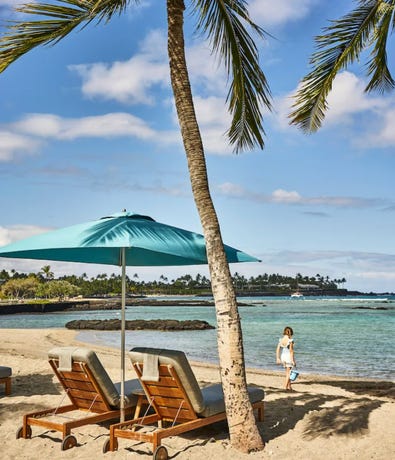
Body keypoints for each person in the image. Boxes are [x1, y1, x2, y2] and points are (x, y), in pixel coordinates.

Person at [276, 326, 296, 390]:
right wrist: (293, 360)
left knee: (287, 372)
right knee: (289, 373)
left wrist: (277, 358)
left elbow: (277, 349)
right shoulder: (290, 340)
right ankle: (285, 386)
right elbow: (291, 351)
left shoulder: (281, 340)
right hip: (288, 357)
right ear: (290, 333)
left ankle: (289, 387)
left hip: (283, 356)